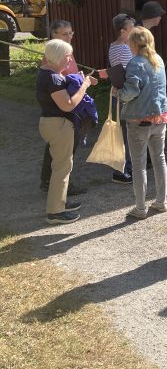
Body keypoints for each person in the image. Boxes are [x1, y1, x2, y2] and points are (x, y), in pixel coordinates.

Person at [37, 38, 96, 223]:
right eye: (67, 57)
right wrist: (84, 86)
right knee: (62, 168)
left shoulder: (46, 73)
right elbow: (68, 105)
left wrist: (77, 79)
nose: (70, 60)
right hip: (58, 125)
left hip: (50, 123)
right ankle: (55, 212)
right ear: (58, 57)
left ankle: (59, 203)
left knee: (61, 166)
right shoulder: (54, 78)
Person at [118, 27, 167, 221]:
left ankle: (140, 208)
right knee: (159, 158)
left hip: (139, 119)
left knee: (138, 164)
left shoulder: (135, 63)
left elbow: (131, 91)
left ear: (133, 44)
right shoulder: (159, 60)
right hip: (160, 117)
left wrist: (118, 93)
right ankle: (161, 201)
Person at [39, 20, 85, 196]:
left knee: (62, 146)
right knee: (62, 148)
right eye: (64, 33)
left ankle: (49, 181)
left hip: (69, 105)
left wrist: (79, 78)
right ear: (54, 35)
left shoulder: (67, 52)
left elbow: (68, 76)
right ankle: (57, 185)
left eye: (71, 33)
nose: (69, 37)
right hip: (61, 109)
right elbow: (56, 81)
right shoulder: (54, 55)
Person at [108, 13, 135, 184]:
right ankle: (123, 169)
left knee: (123, 132)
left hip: (118, 93)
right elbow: (129, 72)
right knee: (127, 133)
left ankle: (124, 168)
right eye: (132, 29)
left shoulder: (114, 46)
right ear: (122, 31)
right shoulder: (124, 49)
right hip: (125, 94)